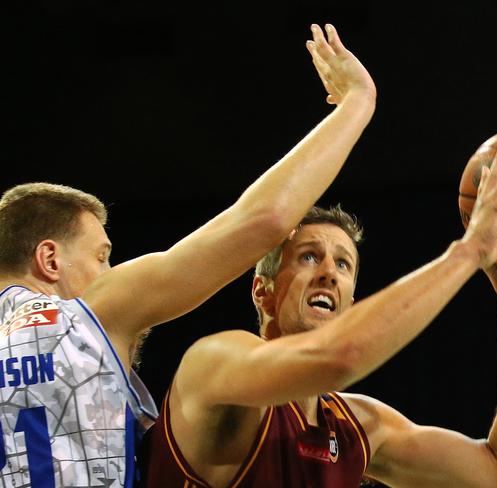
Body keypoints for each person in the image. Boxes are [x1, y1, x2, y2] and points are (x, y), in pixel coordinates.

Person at [0, 23, 376, 487]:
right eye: (101, 257)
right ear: (50, 260)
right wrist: (358, 103)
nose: (108, 272)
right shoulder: (87, 317)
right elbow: (265, 221)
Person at [140, 136, 497, 488]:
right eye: (308, 257)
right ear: (262, 292)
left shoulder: (356, 426)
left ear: (352, 305)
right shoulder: (212, 366)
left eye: (343, 265)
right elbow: (341, 356)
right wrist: (466, 253)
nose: (328, 275)